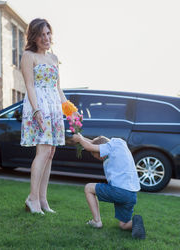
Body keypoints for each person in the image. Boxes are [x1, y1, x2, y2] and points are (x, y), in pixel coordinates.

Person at [20, 18, 78, 215]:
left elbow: (58, 88)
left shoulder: (53, 58)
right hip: (39, 106)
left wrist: (70, 110)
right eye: (41, 34)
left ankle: (43, 199)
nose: (46, 38)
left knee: (50, 153)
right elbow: (29, 85)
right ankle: (32, 198)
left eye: (48, 33)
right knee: (43, 152)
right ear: (34, 37)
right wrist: (37, 111)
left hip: (54, 107)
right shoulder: (28, 56)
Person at [72, 134, 146, 239]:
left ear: (101, 153)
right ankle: (135, 223)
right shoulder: (119, 143)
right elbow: (94, 144)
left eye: (97, 156)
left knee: (88, 188)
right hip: (131, 194)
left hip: (119, 191)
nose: (100, 159)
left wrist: (79, 138)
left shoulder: (108, 149)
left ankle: (96, 221)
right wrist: (82, 138)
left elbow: (90, 147)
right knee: (123, 225)